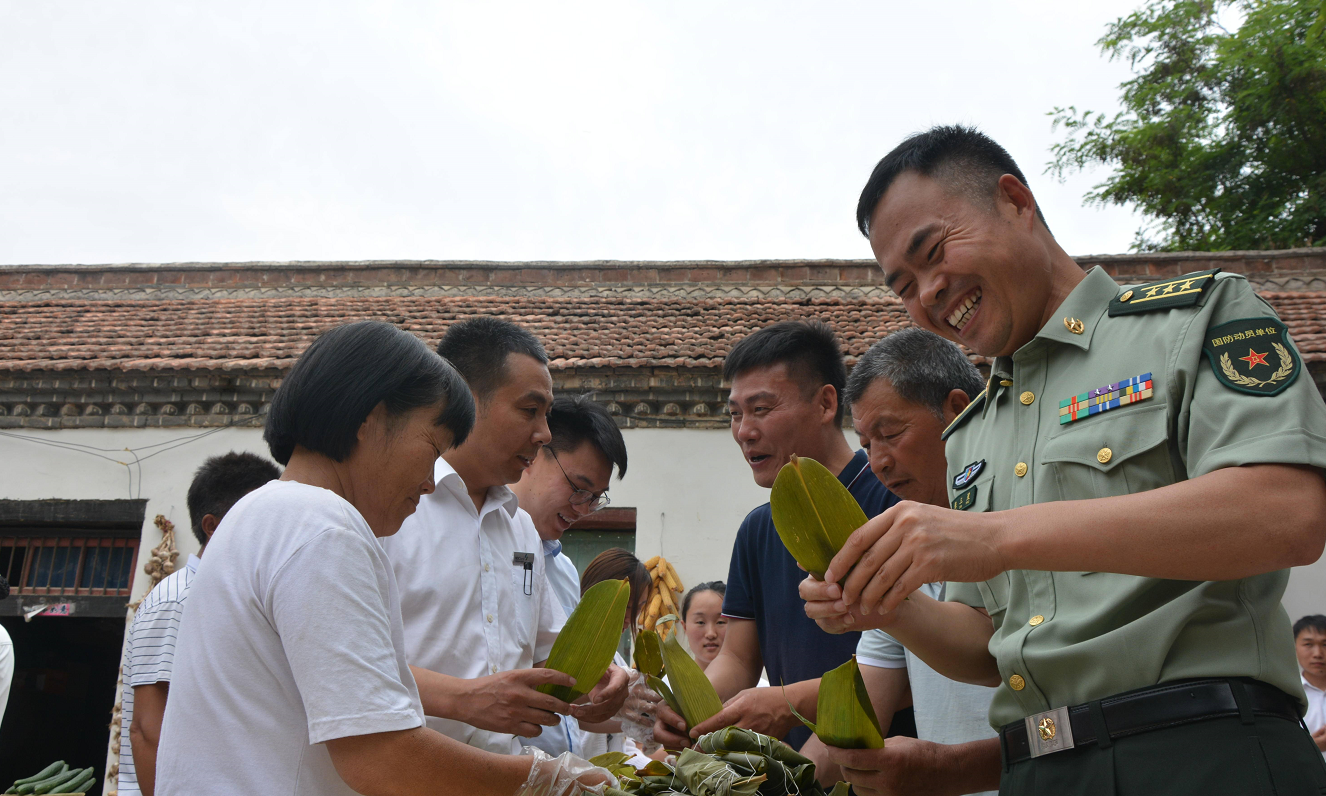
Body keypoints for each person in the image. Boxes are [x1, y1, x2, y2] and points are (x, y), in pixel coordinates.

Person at [803, 124, 1326, 795]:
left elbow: (1287, 511)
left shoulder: (1192, 322)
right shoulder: (971, 434)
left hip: (1202, 754)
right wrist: (882, 601)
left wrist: (995, 538)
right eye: (903, 285)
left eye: (932, 252)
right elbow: (983, 646)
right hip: (1038, 767)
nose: (928, 293)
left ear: (1016, 202)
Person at [155, 320, 610, 796]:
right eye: (432, 447)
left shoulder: (265, 511)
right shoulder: (324, 528)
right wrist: (551, 779)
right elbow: (380, 756)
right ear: (370, 419)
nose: (430, 481)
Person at [656, 320, 908, 759]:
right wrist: (689, 707)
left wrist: (789, 702)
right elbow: (738, 658)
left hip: (897, 767)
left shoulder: (895, 501)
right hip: (796, 776)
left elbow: (912, 669)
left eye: (762, 409)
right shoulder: (758, 530)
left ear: (826, 402)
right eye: (735, 413)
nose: (744, 431)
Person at [382, 318, 629, 755]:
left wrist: (601, 680)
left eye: (546, 415)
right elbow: (348, 664)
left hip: (503, 774)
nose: (544, 433)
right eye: (529, 410)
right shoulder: (390, 508)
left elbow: (546, 654)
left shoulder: (519, 529)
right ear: (463, 397)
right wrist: (465, 698)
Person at [833, 328, 1000, 796]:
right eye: (866, 444)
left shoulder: (1034, 520)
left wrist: (956, 768)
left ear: (958, 410)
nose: (879, 462)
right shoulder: (891, 552)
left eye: (890, 434)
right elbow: (862, 711)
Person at [121, 451, 281, 796]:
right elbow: (147, 730)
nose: (276, 529)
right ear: (212, 526)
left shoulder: (231, 594)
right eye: (261, 516)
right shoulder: (179, 599)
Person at [510, 393, 629, 757]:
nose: (583, 509)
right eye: (578, 488)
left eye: (596, 497)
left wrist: (610, 689)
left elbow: (564, 687)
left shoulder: (562, 570)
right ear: (535, 453)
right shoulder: (480, 544)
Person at [574, 548, 653, 760]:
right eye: (626, 606)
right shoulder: (567, 653)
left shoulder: (615, 659)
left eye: (639, 607)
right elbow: (573, 715)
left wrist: (640, 723)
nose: (631, 617)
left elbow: (605, 727)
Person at [1296, 615, 1326, 758]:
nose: (1318, 654)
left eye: (1325, 644)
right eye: (1308, 644)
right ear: (1294, 646)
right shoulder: (1287, 694)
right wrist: (1310, 746)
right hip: (1306, 776)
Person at [680, 582, 727, 672]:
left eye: (720, 622)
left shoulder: (757, 685)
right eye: (700, 622)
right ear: (685, 627)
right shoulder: (667, 684)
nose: (710, 634)